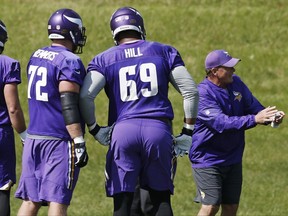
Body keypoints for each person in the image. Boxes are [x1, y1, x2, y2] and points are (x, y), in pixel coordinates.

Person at [79, 6, 199, 216]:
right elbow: (190, 91)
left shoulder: (104, 58)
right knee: (161, 200)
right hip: (158, 130)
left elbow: (85, 96)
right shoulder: (163, 51)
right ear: (140, 28)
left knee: (122, 202)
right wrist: (188, 131)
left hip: (123, 131)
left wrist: (95, 129)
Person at [189, 49, 285, 216]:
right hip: (208, 159)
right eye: (228, 67)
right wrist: (255, 119)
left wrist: (271, 117)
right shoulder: (202, 94)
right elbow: (221, 123)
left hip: (232, 157)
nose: (233, 70)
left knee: (231, 207)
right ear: (214, 71)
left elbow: (253, 107)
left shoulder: (236, 83)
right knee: (211, 206)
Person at [15, 8, 88, 216]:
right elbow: (68, 104)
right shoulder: (69, 60)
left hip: (33, 139)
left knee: (31, 201)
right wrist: (78, 140)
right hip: (58, 141)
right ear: (72, 31)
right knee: (58, 201)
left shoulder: (36, 55)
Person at [0, 19, 27, 216]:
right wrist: (24, 134)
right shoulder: (7, 64)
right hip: (1, 133)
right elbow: (13, 108)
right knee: (2, 189)